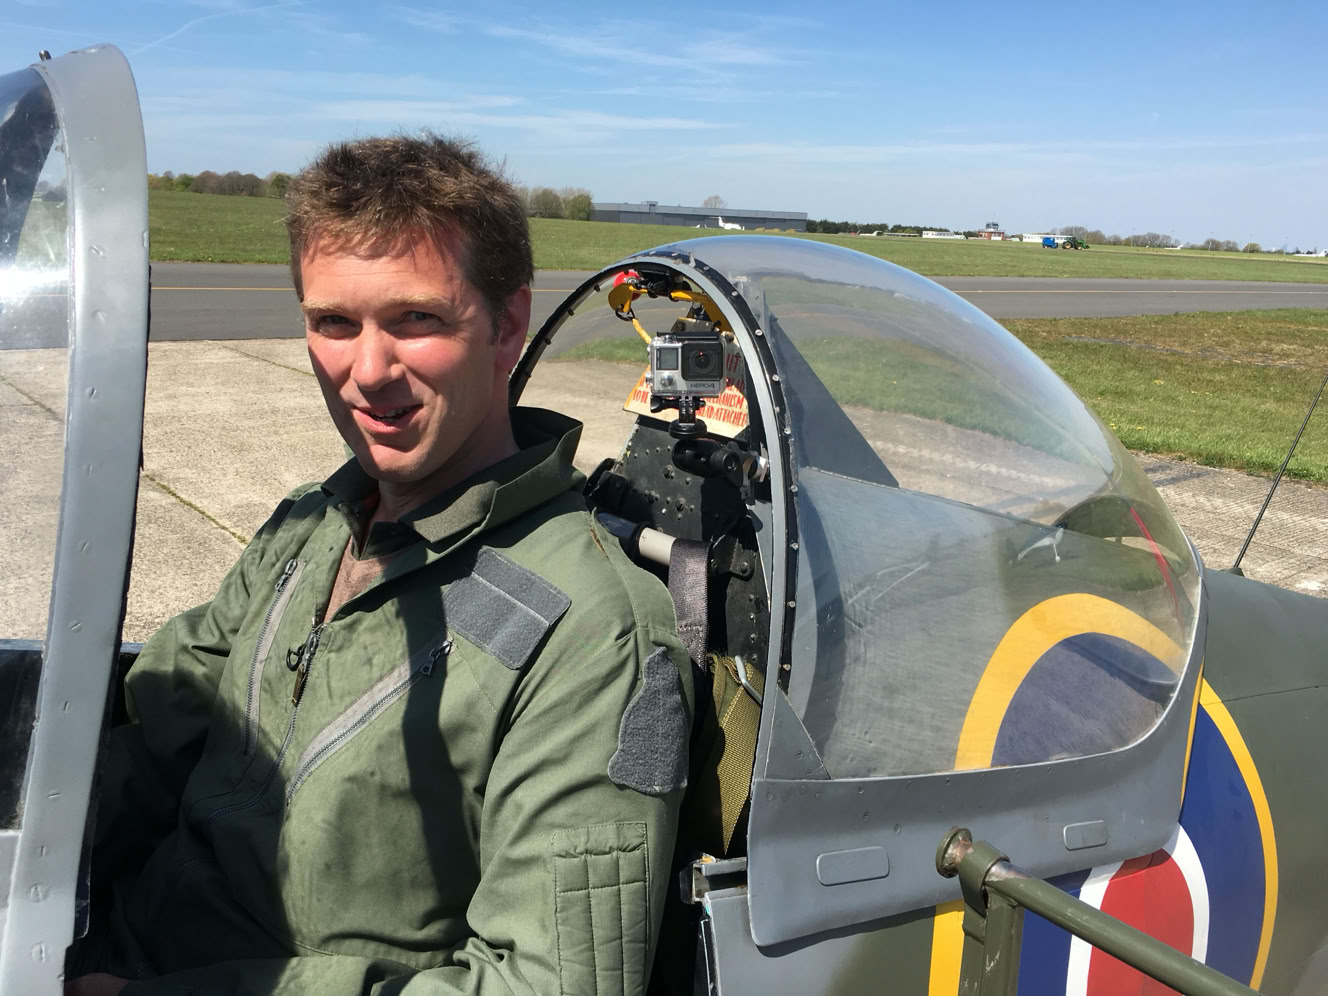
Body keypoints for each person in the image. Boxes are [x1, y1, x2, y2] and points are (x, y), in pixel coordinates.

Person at [66, 134, 693, 996]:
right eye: (333, 322)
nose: (367, 372)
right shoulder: (308, 527)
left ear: (506, 325)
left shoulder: (595, 630)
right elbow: (153, 740)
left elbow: (550, 984)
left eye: (416, 320)